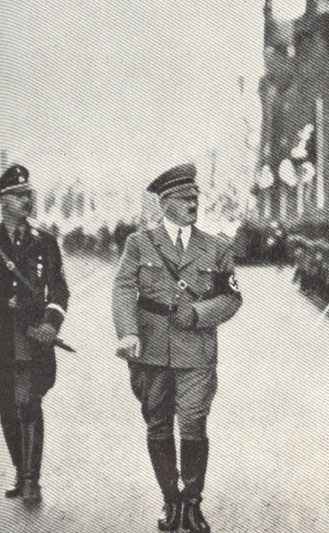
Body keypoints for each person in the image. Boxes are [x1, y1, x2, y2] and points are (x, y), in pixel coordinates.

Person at [113, 163, 243, 533]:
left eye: (196, 197)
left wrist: (199, 313)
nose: (193, 203)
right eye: (185, 198)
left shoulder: (216, 247)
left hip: (196, 350)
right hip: (150, 350)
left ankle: (192, 503)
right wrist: (127, 331)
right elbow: (123, 288)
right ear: (166, 202)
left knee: (193, 422)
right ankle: (170, 502)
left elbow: (232, 298)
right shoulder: (138, 243)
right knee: (157, 424)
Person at [0, 164, 70, 507]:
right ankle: (20, 468)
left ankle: (31, 479)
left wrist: (50, 324)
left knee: (29, 402)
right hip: (2, 337)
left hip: (32, 338)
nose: (26, 200)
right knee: (7, 408)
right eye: (18, 195)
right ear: (3, 200)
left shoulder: (45, 241)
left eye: (28, 194)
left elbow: (59, 289)